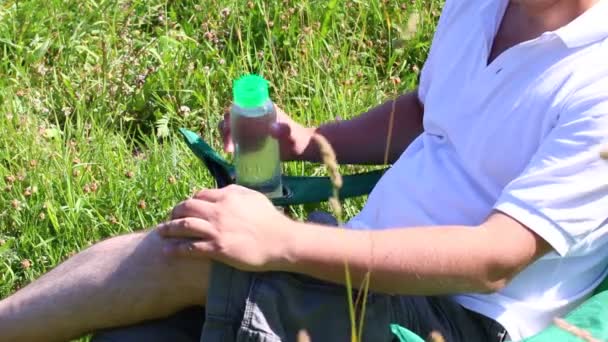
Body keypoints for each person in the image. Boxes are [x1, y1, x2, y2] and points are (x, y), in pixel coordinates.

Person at [1, 0, 608, 341]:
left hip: (457, 317)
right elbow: (430, 111)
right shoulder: (482, 6)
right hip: (363, 254)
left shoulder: (598, 81)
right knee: (138, 335)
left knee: (183, 256)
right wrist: (309, 141)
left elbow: (493, 259)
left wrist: (283, 241)